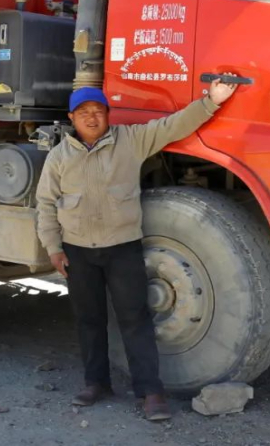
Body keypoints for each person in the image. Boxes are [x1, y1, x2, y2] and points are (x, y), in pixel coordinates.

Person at [35, 77, 238, 421]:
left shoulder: (131, 140)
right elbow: (45, 204)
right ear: (71, 118)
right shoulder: (58, 157)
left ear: (108, 114)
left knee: (136, 319)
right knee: (89, 320)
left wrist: (210, 102)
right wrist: (54, 248)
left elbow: (173, 126)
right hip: (78, 251)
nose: (91, 117)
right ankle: (96, 383)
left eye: (97, 111)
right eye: (83, 112)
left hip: (122, 249)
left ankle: (151, 392)